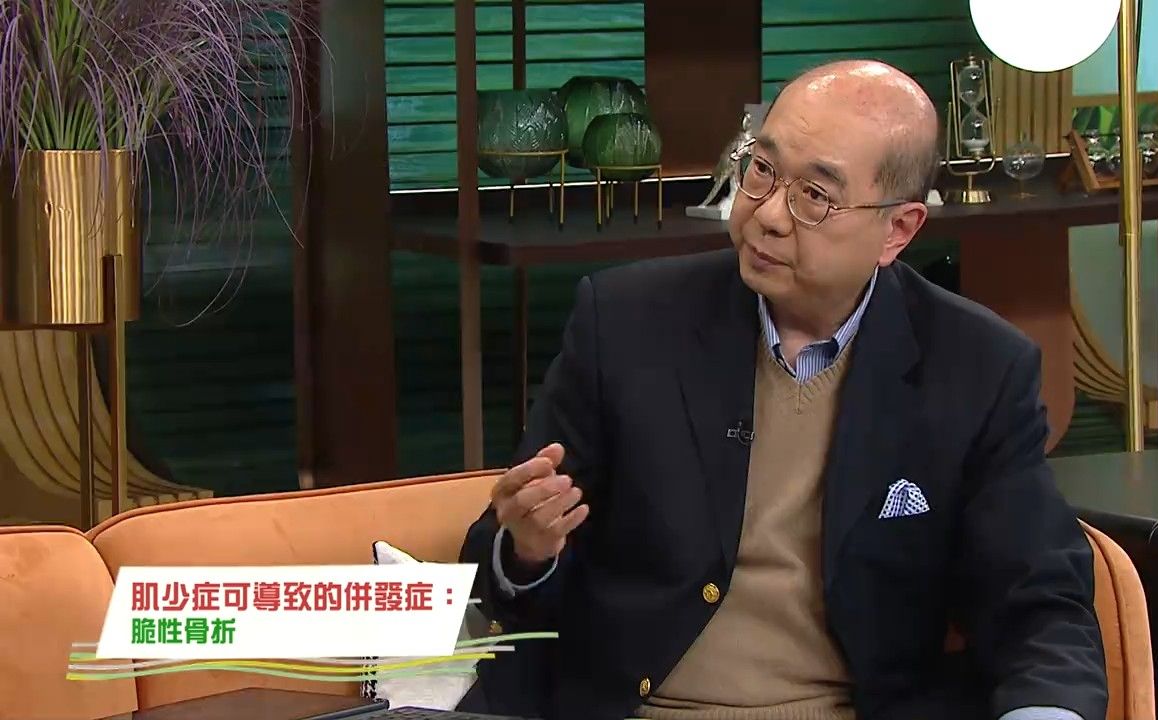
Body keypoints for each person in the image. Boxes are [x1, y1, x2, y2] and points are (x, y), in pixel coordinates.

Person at [458, 60, 1107, 720]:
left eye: (815, 197)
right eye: (763, 170)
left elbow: (1039, 604)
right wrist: (526, 549)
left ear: (899, 230)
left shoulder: (978, 367)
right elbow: (501, 563)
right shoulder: (627, 322)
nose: (766, 215)